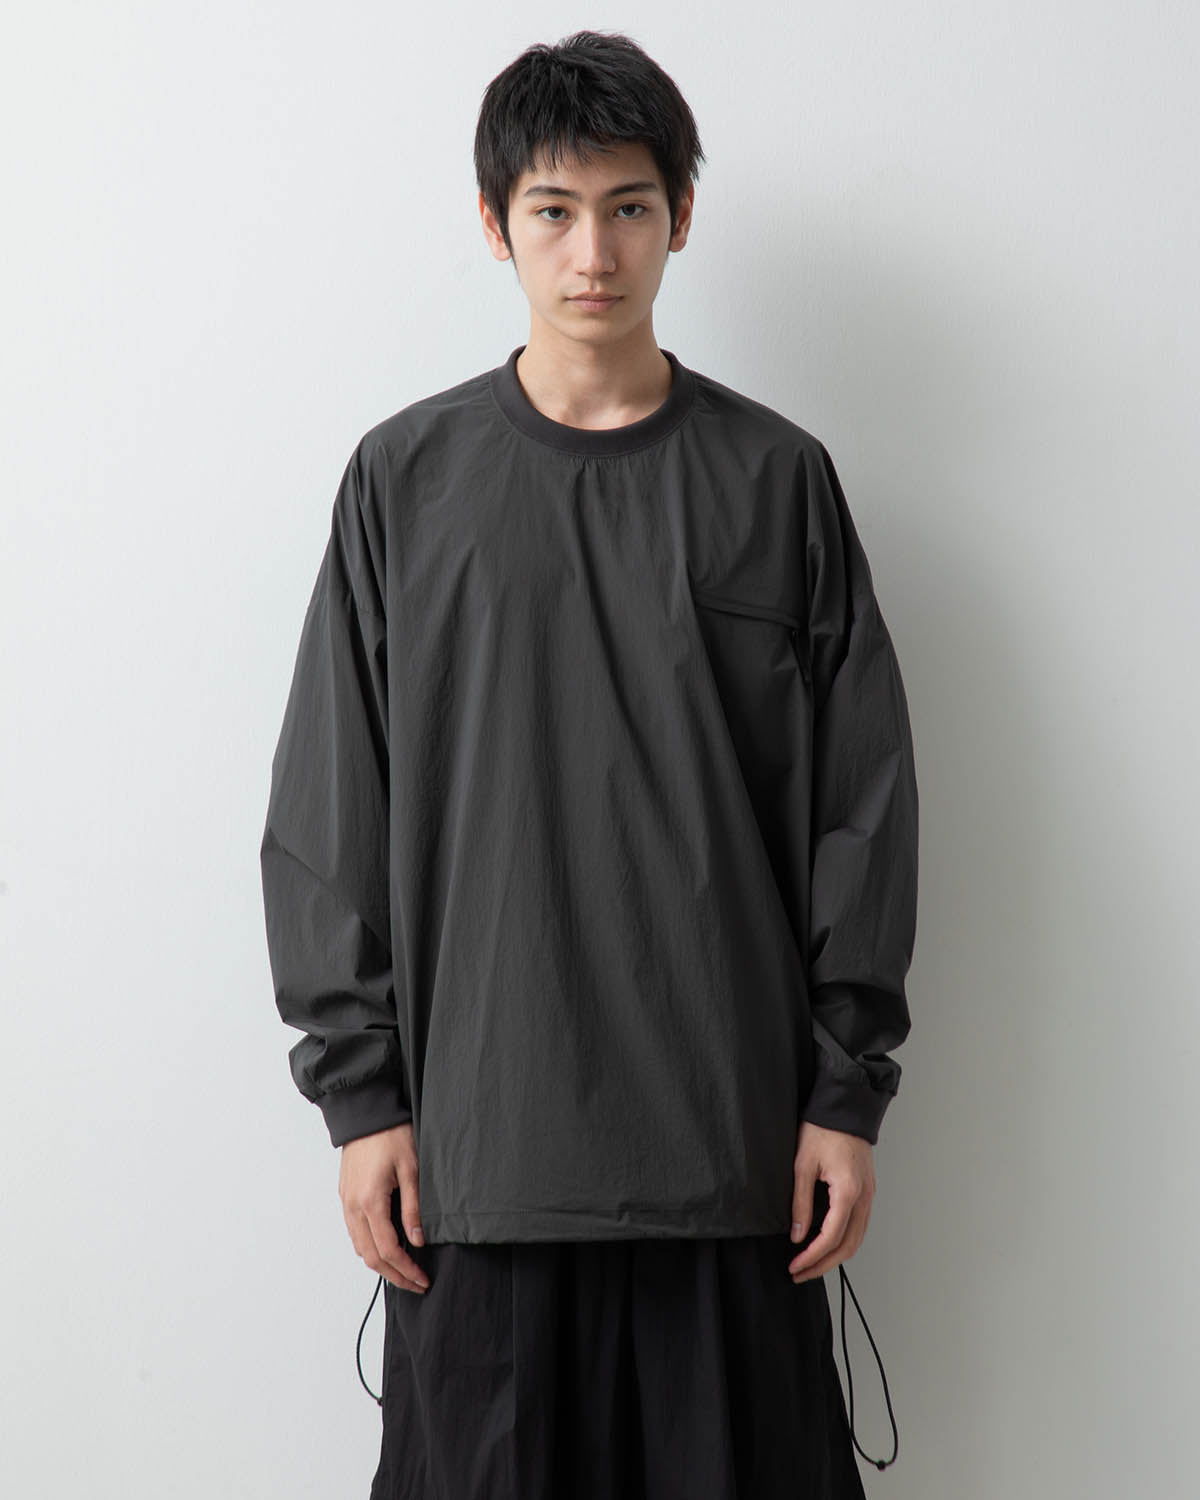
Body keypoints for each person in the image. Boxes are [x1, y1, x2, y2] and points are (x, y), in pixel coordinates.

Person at [259, 28, 918, 1500]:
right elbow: (326, 813)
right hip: (480, 1166)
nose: (594, 252)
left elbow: (862, 810)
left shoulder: (777, 482)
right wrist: (361, 1099)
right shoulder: (404, 484)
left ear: (681, 215)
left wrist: (844, 1090)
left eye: (629, 207)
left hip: (733, 1159)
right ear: (495, 224)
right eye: (553, 210)